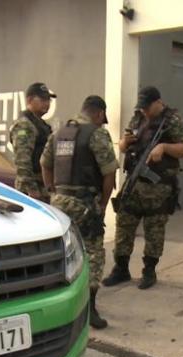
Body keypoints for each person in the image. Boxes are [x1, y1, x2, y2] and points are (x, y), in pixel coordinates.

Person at [40, 95, 118, 329]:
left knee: (62, 252)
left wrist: (52, 191)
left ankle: (55, 307)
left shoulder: (60, 132)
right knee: (93, 253)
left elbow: (45, 164)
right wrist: (103, 205)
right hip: (84, 202)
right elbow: (109, 173)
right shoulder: (97, 133)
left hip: (59, 202)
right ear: (99, 114)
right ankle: (90, 309)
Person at [102, 86, 183, 289]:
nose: (143, 111)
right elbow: (123, 146)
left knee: (154, 229)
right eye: (141, 107)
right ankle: (121, 268)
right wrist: (124, 142)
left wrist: (164, 147)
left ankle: (149, 271)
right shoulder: (138, 118)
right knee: (124, 224)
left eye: (146, 107)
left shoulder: (173, 120)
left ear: (158, 103)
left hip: (158, 185)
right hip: (134, 182)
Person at [10, 82, 56, 203]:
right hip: (31, 190)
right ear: (29, 100)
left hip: (42, 186)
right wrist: (32, 190)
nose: (47, 103)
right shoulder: (25, 125)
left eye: (48, 100)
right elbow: (22, 161)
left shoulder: (41, 124)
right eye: (42, 99)